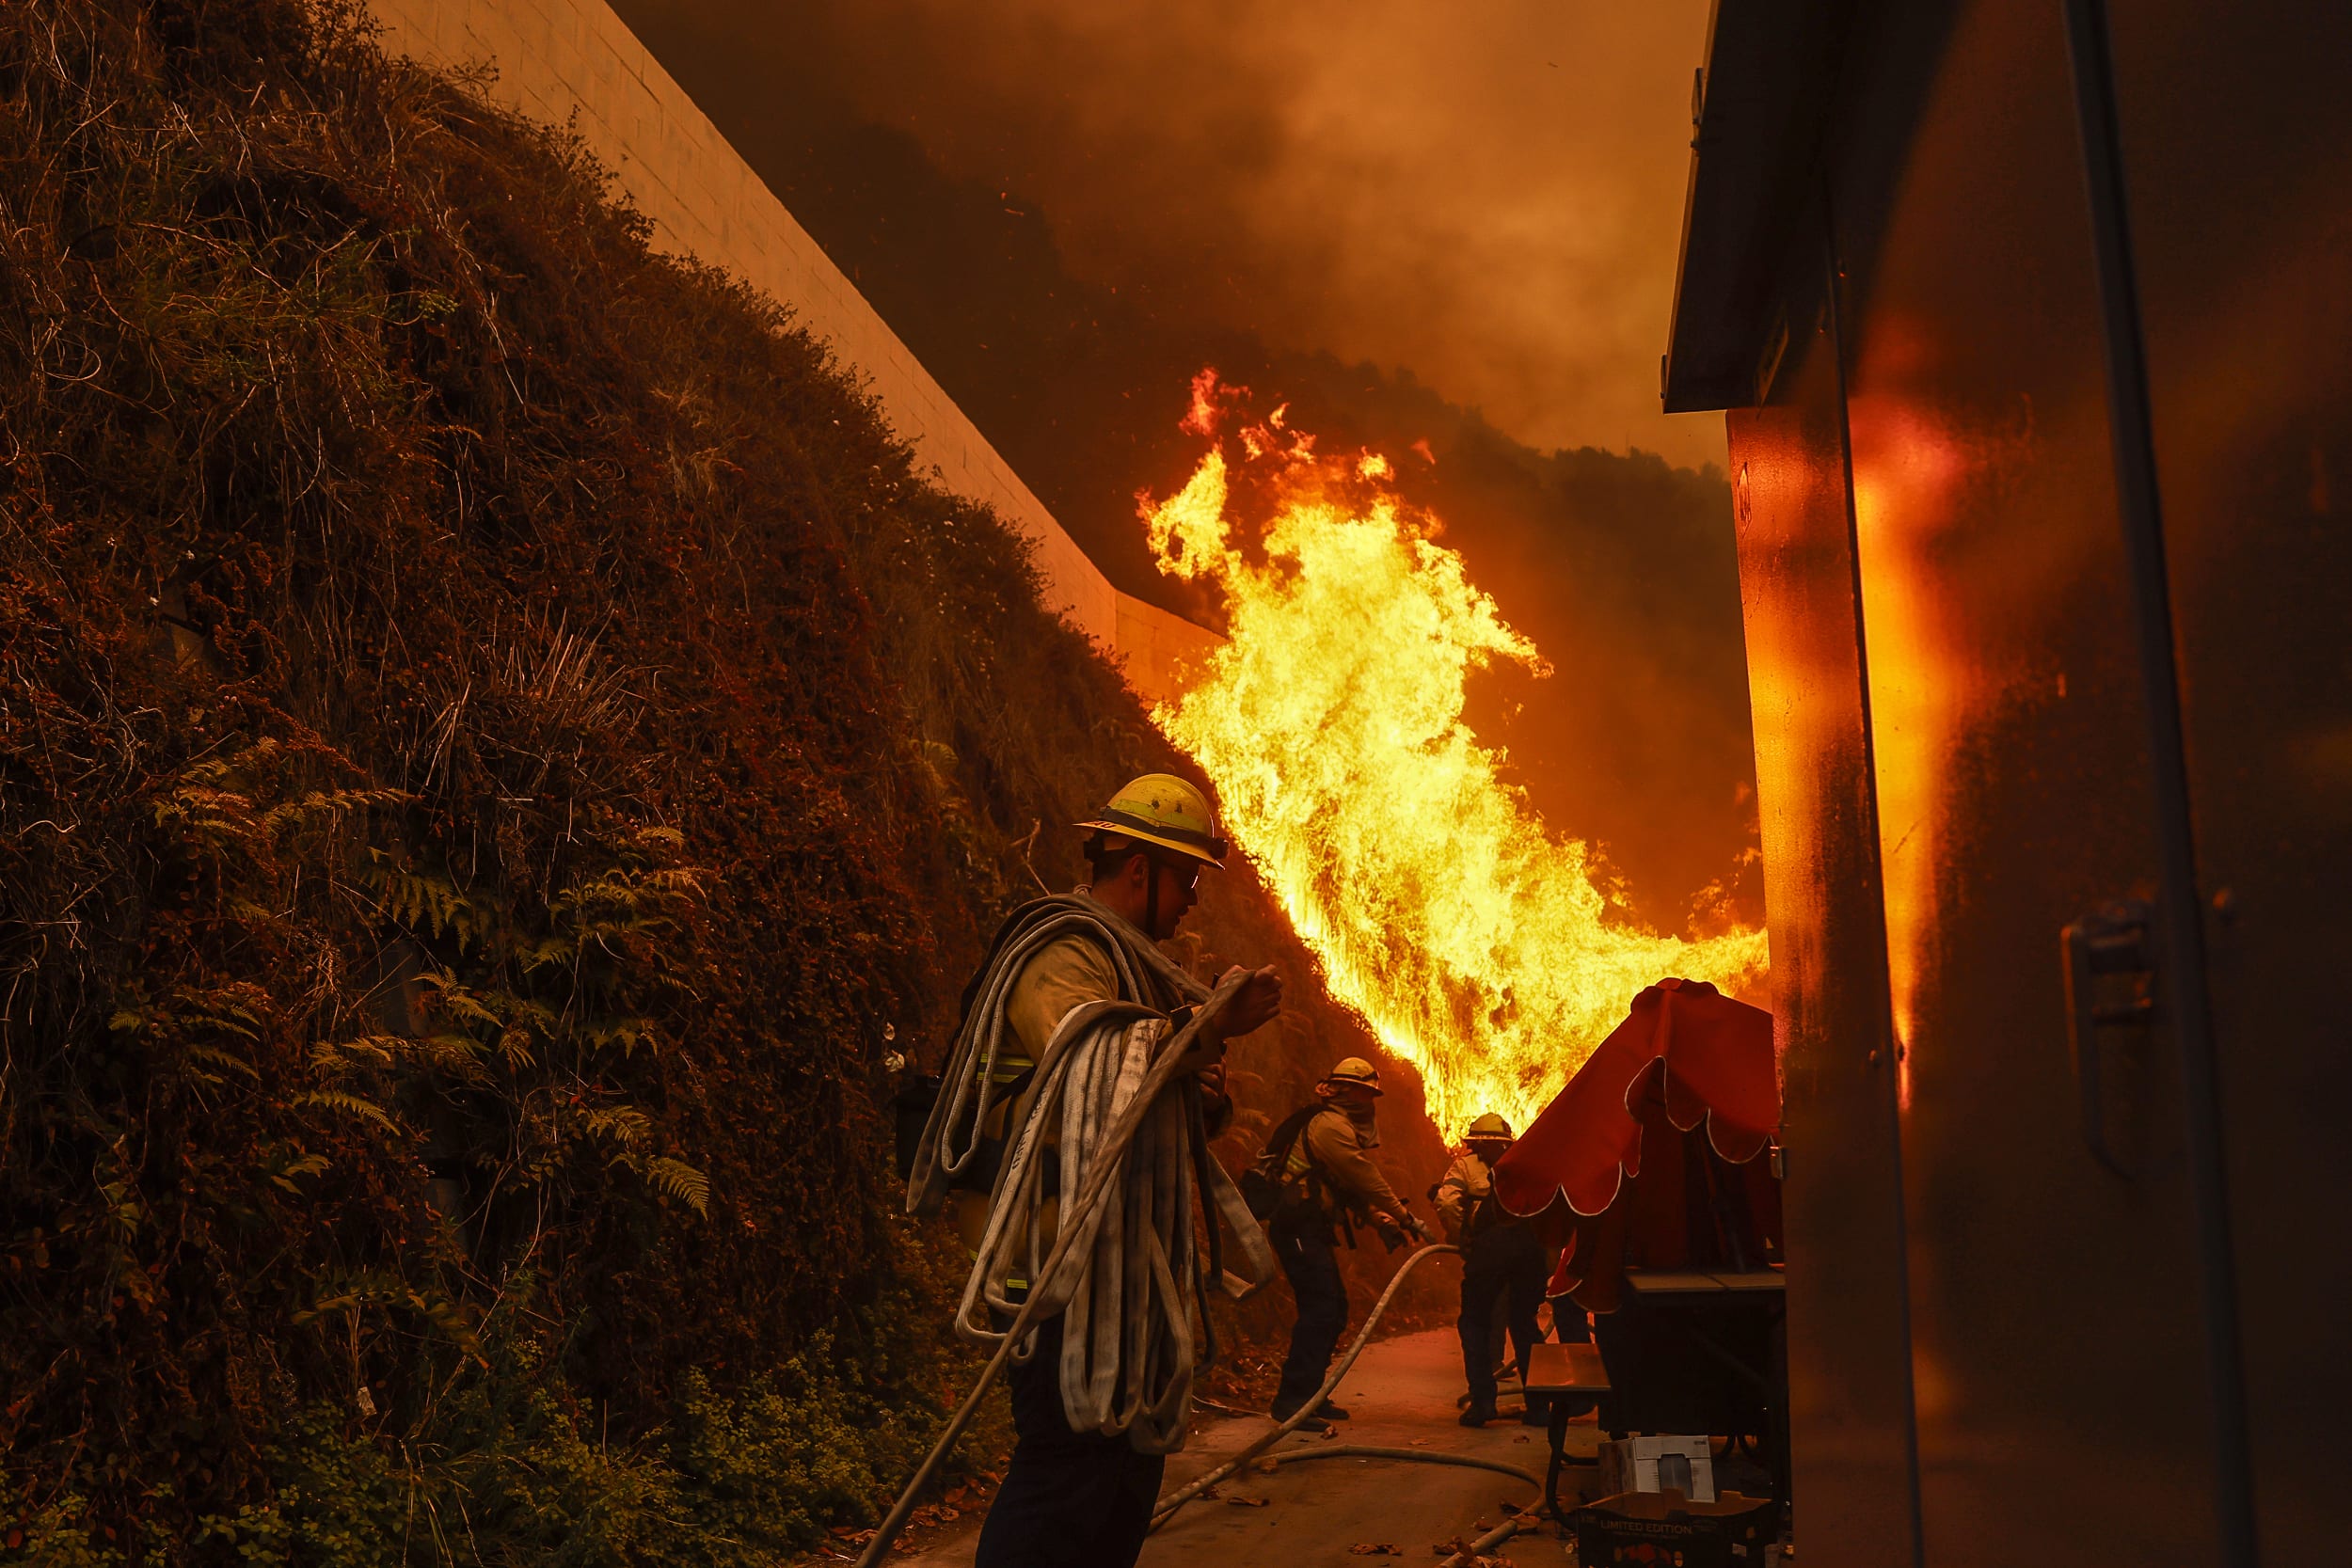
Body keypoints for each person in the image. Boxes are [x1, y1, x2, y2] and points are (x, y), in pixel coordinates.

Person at [942, 773, 1284, 1568]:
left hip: (1121, 1272)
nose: (1193, 898)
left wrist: (1205, 1085)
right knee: (1065, 1479)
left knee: (1124, 1484)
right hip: (1054, 1265)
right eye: (1188, 878)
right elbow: (1090, 1059)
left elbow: (1148, 1088)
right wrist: (1203, 1028)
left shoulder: (1134, 968)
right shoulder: (1061, 953)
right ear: (1140, 869)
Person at [1262, 1056, 1428, 1429]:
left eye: (1371, 1094)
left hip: (1311, 1227)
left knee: (1334, 1308)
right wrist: (1405, 1217)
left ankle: (1312, 1395)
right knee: (1321, 1309)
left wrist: (1380, 1221)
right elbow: (1363, 1176)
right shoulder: (1330, 1126)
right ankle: (1292, 1401)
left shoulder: (1335, 1125)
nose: (1368, 1101)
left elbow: (1345, 1188)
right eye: (1364, 1093)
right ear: (1342, 1090)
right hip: (1297, 1226)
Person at [1436, 1112, 1551, 1427]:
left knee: (1475, 1323)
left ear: (1475, 1143)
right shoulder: (1528, 1166)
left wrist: (1461, 1238)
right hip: (1529, 1252)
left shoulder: (1464, 1167)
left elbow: (1447, 1203)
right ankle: (1540, 1408)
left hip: (1488, 1253)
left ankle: (1482, 1404)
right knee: (1525, 1326)